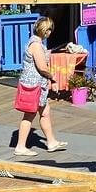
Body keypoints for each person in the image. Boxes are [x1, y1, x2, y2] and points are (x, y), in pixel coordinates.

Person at [13, 16, 69, 155]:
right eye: (49, 30)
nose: (50, 32)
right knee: (30, 114)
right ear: (46, 31)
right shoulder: (36, 45)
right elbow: (42, 67)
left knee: (45, 112)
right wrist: (53, 78)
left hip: (39, 85)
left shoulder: (37, 43)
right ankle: (20, 147)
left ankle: (51, 142)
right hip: (33, 85)